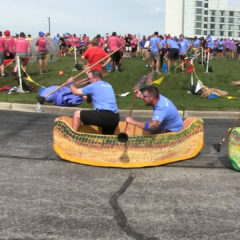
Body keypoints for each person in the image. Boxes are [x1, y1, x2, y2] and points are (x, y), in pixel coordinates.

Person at [67, 69, 120, 134]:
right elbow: (91, 99)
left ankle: (72, 136)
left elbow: (75, 92)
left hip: (104, 115)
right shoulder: (108, 85)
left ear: (96, 79)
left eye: (89, 79)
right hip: (115, 117)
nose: (88, 81)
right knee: (106, 137)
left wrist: (70, 83)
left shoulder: (94, 86)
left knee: (77, 114)